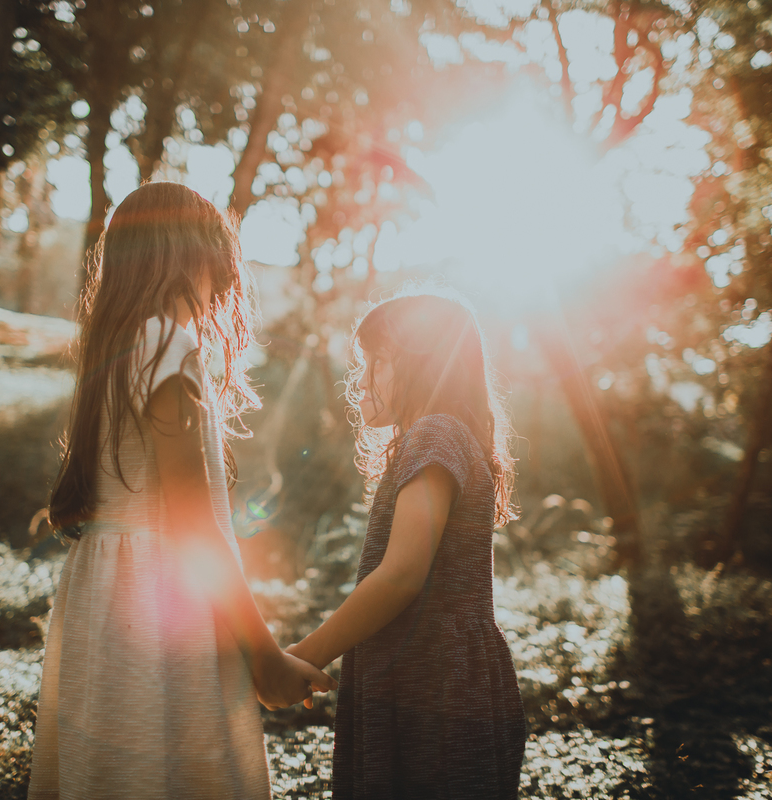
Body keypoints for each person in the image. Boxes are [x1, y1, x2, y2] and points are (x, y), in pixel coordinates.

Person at [28, 182, 335, 800]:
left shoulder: (119, 349)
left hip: (101, 597)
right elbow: (195, 528)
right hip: (162, 601)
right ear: (189, 257)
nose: (222, 283)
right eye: (217, 261)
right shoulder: (169, 343)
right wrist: (264, 656)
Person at [285, 287, 527, 799]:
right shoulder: (444, 436)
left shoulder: (436, 434)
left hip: (431, 684)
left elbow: (400, 575)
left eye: (378, 360)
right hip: (432, 675)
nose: (362, 379)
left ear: (425, 364)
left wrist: (305, 656)